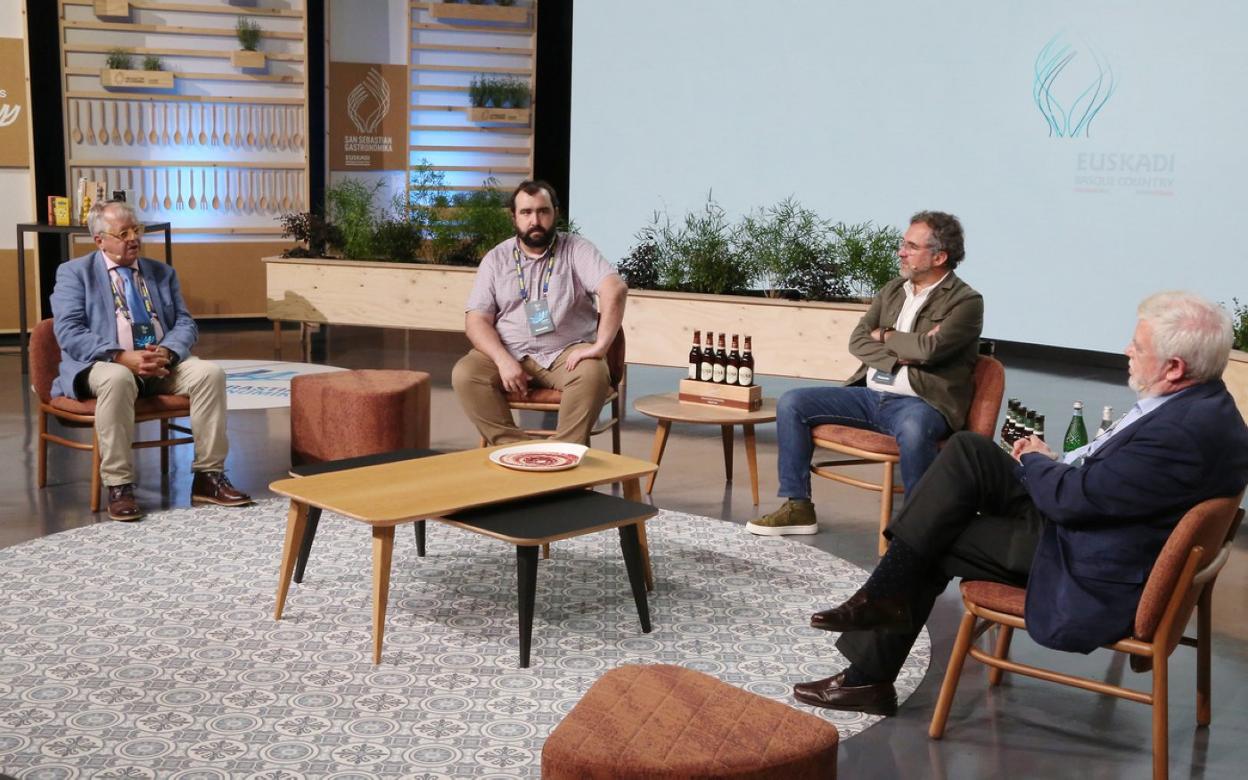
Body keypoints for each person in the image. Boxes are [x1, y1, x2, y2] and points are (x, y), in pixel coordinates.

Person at [790, 291, 1248, 716]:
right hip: (1095, 525)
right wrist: (1051, 462)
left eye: (1137, 346)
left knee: (937, 533)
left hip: (1083, 558)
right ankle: (878, 603)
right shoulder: (1205, 403)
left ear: (1173, 367)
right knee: (969, 450)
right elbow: (1105, 487)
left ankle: (869, 662)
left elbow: (1073, 502)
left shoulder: (1178, 433)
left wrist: (1035, 461)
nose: (1127, 351)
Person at [748, 211, 983, 536]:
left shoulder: (967, 302)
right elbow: (858, 340)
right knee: (792, 403)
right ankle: (798, 507)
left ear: (940, 256)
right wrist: (903, 352)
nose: (901, 252)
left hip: (921, 403)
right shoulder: (892, 290)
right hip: (870, 396)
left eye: (911, 246)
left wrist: (885, 336)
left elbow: (930, 352)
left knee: (915, 430)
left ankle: (917, 532)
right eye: (903, 244)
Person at [50, 201, 252, 522]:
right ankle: (119, 485)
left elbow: (185, 323)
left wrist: (168, 352)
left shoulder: (161, 273)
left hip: (159, 363)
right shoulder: (75, 273)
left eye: (137, 230)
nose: (134, 239)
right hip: (103, 363)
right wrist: (121, 356)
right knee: (118, 379)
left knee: (209, 373)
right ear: (100, 240)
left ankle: (207, 476)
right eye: (124, 233)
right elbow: (69, 331)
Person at [452, 180, 628, 445]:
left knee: (592, 374)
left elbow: (615, 289)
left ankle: (563, 454)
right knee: (466, 374)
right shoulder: (496, 259)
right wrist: (502, 359)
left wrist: (600, 347)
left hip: (565, 353)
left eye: (543, 211)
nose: (535, 220)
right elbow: (476, 320)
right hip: (510, 350)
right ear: (514, 217)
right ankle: (515, 450)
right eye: (526, 212)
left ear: (555, 213)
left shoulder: (576, 249)